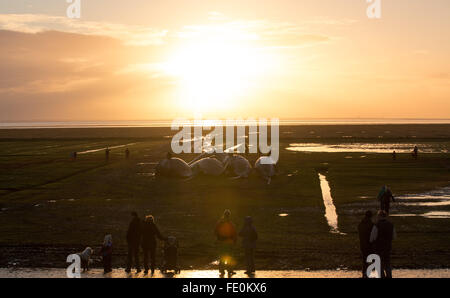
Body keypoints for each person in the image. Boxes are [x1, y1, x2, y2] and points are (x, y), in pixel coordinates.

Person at [370, 211, 396, 278]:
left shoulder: (377, 225)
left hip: (378, 248)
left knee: (378, 264)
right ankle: (389, 276)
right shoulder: (391, 225)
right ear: (385, 216)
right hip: (387, 247)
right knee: (387, 263)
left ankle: (382, 276)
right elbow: (394, 237)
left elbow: (372, 238)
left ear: (379, 216)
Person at [215, 209, 237, 276]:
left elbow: (215, 232)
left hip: (221, 242)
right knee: (230, 256)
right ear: (229, 215)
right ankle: (230, 270)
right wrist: (235, 241)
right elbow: (234, 233)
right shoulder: (231, 223)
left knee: (222, 256)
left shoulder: (219, 223)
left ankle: (222, 270)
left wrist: (218, 239)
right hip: (229, 242)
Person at [358, 211, 374, 278]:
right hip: (369, 244)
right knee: (369, 259)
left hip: (362, 243)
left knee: (364, 258)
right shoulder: (372, 224)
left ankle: (364, 273)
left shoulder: (361, 223)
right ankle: (368, 272)